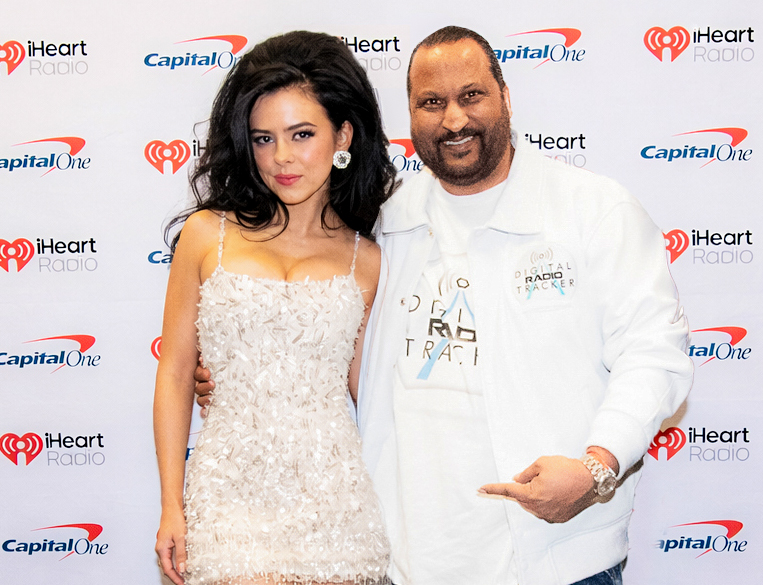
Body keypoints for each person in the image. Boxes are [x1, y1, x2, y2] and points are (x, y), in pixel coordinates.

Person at [197, 26, 693, 585]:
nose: (453, 119)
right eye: (431, 103)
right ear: (410, 116)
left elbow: (654, 356)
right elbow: (326, 345)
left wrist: (596, 467)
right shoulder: (381, 225)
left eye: (471, 95)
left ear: (506, 97)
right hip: (409, 561)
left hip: (556, 556)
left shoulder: (593, 210)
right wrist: (248, 372)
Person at [154, 31, 396, 585]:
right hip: (224, 502)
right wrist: (171, 504)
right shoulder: (206, 235)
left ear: (343, 135)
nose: (281, 157)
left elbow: (376, 396)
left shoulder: (368, 260)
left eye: (302, 134)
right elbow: (174, 374)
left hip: (337, 508)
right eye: (264, 138)